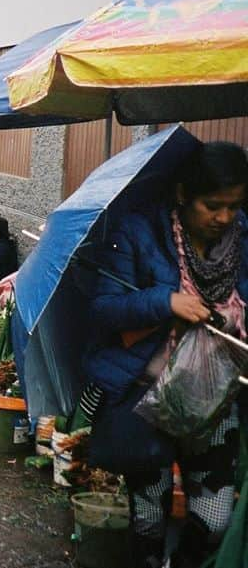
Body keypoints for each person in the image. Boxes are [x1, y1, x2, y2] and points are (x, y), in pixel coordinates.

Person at [82, 142, 248, 568]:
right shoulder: (138, 232)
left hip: (216, 401)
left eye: (234, 206)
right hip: (149, 396)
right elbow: (103, 309)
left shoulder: (243, 241)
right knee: (149, 521)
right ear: (182, 195)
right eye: (213, 205)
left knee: (215, 520)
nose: (224, 218)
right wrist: (166, 302)